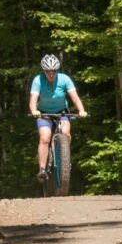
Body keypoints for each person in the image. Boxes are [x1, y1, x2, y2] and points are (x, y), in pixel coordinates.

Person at [28, 54, 88, 182]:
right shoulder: (38, 80)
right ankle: (42, 169)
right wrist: (34, 111)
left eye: (54, 71)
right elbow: (33, 100)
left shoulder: (65, 79)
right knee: (44, 138)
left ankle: (64, 159)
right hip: (43, 113)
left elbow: (75, 97)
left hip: (62, 112)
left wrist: (82, 110)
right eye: (48, 71)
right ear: (43, 71)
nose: (51, 74)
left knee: (66, 133)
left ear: (57, 70)